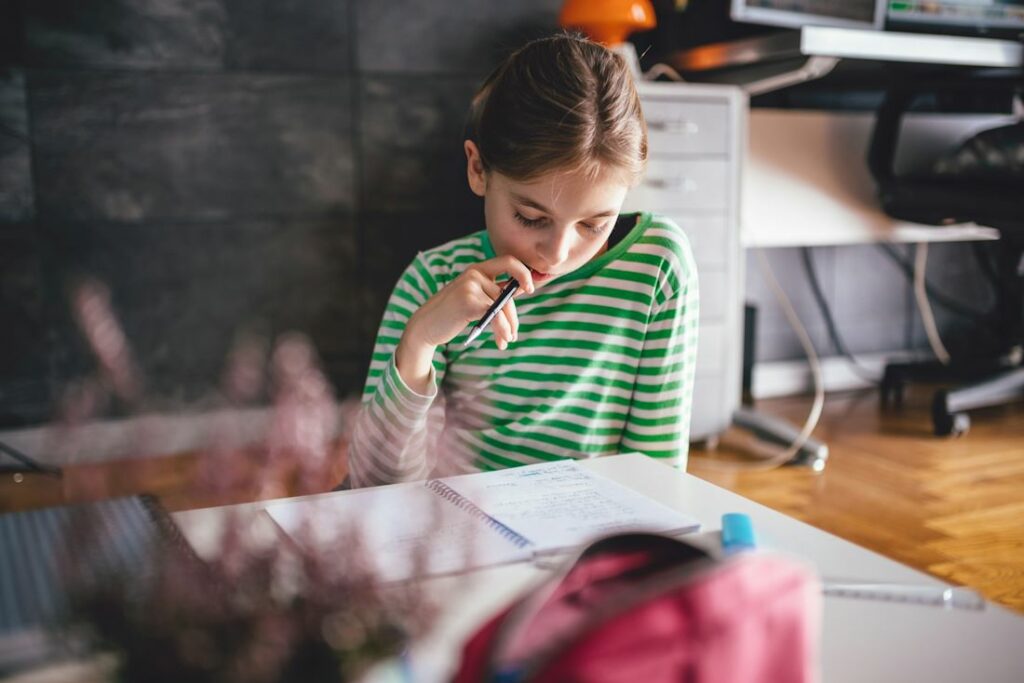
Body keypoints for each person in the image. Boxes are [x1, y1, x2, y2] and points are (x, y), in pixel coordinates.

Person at [347, 33, 699, 488]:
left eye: (594, 224)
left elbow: (657, 479)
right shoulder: (431, 280)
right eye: (531, 217)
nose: (556, 253)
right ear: (478, 169)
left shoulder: (658, 268)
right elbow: (374, 487)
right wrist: (418, 347)